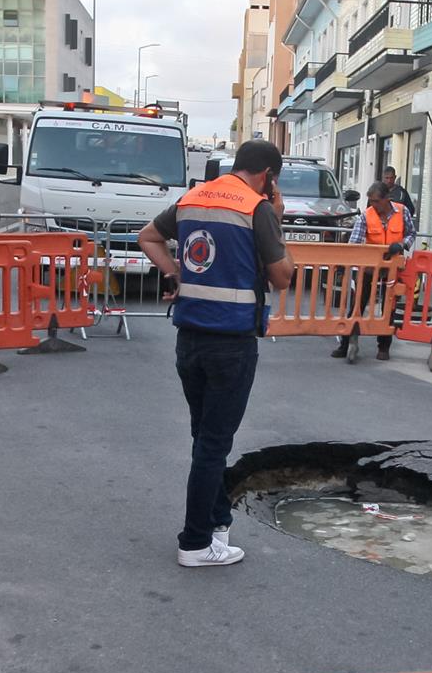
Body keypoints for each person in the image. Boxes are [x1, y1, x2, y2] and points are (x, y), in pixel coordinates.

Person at [136, 138, 294, 569]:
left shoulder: (192, 198)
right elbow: (282, 277)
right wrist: (276, 220)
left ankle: (218, 521)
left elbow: (148, 236)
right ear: (269, 177)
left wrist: (175, 272)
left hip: (189, 338)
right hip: (232, 343)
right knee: (212, 445)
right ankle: (195, 542)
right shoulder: (256, 208)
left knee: (205, 438)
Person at [333, 182, 413, 361]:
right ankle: (345, 345)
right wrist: (345, 261)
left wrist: (402, 245)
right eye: (371, 201)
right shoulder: (366, 216)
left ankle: (384, 347)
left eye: (376, 201)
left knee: (388, 307)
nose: (373, 205)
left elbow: (411, 233)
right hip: (369, 269)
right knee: (357, 305)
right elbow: (355, 241)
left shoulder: (402, 212)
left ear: (387, 199)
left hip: (392, 269)